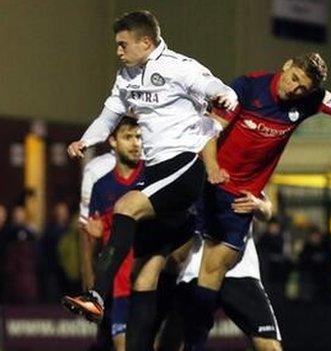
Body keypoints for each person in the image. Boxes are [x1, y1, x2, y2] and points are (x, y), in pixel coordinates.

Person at [189, 52, 331, 339]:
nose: (294, 89)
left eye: (303, 87)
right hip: (206, 184)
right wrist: (213, 167)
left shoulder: (311, 100)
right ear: (287, 65)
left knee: (209, 278)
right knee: (176, 268)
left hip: (240, 200)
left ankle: (194, 340)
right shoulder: (249, 87)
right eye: (294, 79)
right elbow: (209, 130)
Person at [62, 10, 236, 350]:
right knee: (145, 272)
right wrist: (85, 140)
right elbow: (108, 116)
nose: (118, 51)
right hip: (156, 171)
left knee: (126, 206)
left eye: (122, 44)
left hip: (183, 165)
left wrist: (223, 95)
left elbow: (216, 87)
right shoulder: (126, 75)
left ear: (146, 41)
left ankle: (95, 295)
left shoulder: (178, 66)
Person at [167, 191, 282, 351]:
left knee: (267, 342)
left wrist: (259, 206)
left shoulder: (239, 172)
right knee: (177, 340)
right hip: (195, 271)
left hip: (239, 271)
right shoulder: (190, 171)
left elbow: (267, 210)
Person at [83, 116, 143, 351]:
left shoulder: (151, 177)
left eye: (139, 137)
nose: (136, 143)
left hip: (149, 282)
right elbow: (95, 243)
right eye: (128, 137)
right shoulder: (102, 187)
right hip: (119, 287)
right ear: (113, 141)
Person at [79, 152, 116, 351]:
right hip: (110, 267)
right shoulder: (98, 169)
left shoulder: (156, 157)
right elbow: (86, 228)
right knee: (109, 331)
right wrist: (88, 275)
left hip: (144, 264)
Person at [298, 226, 331, 301]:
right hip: (310, 282)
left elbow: (329, 262)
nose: (315, 238)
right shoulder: (307, 248)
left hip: (322, 281)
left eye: (317, 236)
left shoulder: (325, 247)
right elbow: (303, 261)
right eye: (313, 236)